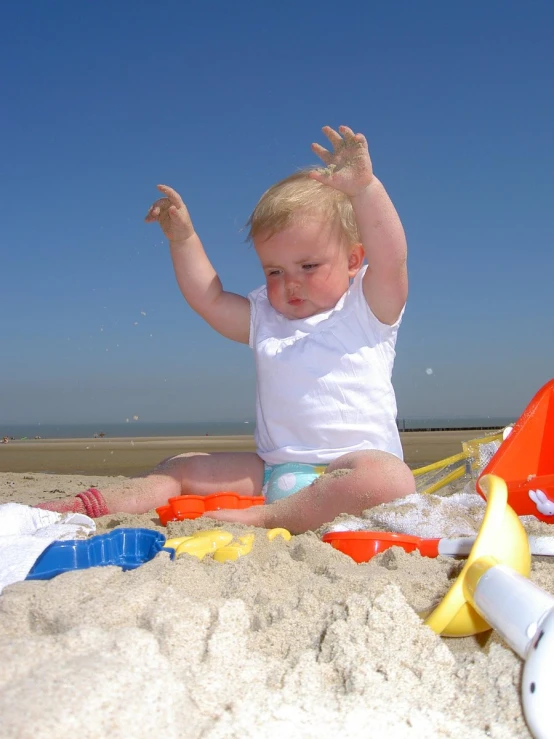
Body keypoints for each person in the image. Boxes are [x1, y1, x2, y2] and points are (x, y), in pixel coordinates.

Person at [36, 125, 415, 534]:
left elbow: (392, 258)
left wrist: (365, 190)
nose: (291, 282)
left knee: (389, 478)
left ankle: (270, 518)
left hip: (353, 475)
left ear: (354, 260)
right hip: (277, 472)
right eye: (274, 270)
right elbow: (210, 298)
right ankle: (87, 505)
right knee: (180, 467)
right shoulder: (266, 317)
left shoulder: (367, 307)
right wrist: (184, 240)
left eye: (309, 266)